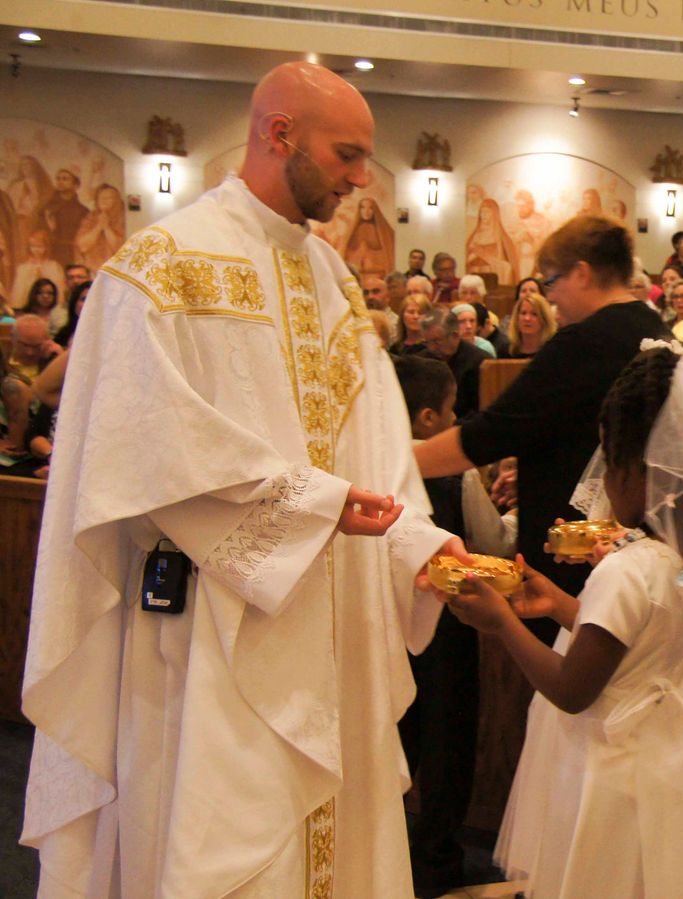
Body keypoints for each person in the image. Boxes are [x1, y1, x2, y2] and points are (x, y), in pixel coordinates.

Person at [21, 62, 470, 898]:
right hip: (212, 618)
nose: (361, 179)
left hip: (332, 612)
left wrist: (419, 540)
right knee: (229, 830)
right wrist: (314, 504)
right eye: (346, 154)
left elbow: (375, 440)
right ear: (279, 133)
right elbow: (145, 448)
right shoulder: (161, 267)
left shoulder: (333, 278)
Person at [448, 345, 683, 898]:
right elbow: (639, 643)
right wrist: (560, 605)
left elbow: (572, 689)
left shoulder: (629, 568)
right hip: (669, 757)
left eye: (611, 460)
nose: (604, 479)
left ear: (642, 471)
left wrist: (501, 622)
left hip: (615, 771)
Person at [413, 215, 671, 628]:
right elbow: (581, 428)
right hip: (633, 543)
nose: (551, 300)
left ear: (581, 273)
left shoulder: (584, 341)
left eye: (551, 282)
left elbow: (490, 433)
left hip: (572, 552)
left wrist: (400, 464)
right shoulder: (655, 327)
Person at [392, 354, 515, 895]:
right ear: (427, 419)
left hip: (388, 626)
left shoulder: (367, 466)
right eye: (449, 411)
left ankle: (387, 854)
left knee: (395, 736)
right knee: (448, 742)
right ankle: (436, 861)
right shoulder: (455, 473)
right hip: (446, 624)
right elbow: (492, 543)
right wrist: (519, 512)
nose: (453, 421)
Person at [420, 305, 490, 419]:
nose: (431, 348)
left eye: (437, 341)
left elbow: (481, 410)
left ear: (455, 336)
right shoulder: (422, 361)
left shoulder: (480, 363)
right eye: (427, 342)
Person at [506, 290, 556, 358]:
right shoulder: (506, 350)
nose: (527, 318)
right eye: (523, 313)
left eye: (534, 314)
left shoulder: (553, 351)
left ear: (544, 319)